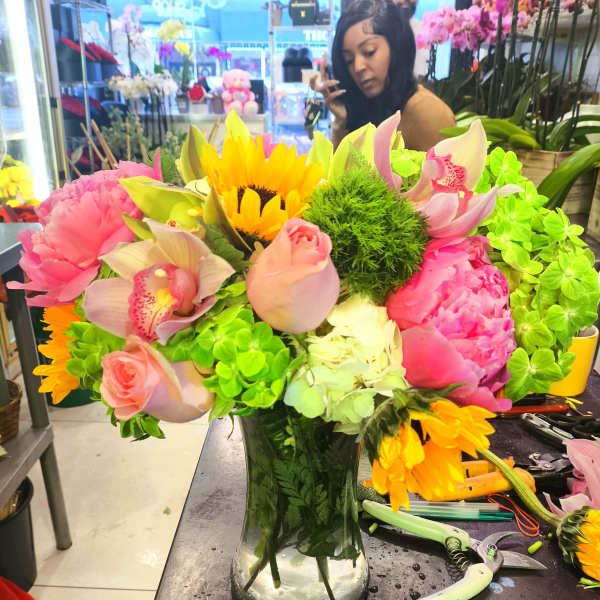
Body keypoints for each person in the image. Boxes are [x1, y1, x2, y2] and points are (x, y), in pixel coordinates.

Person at [310, 0, 455, 150]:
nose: (358, 67)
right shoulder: (370, 106)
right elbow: (341, 166)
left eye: (369, 52)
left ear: (396, 46)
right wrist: (342, 123)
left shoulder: (427, 113)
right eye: (349, 60)